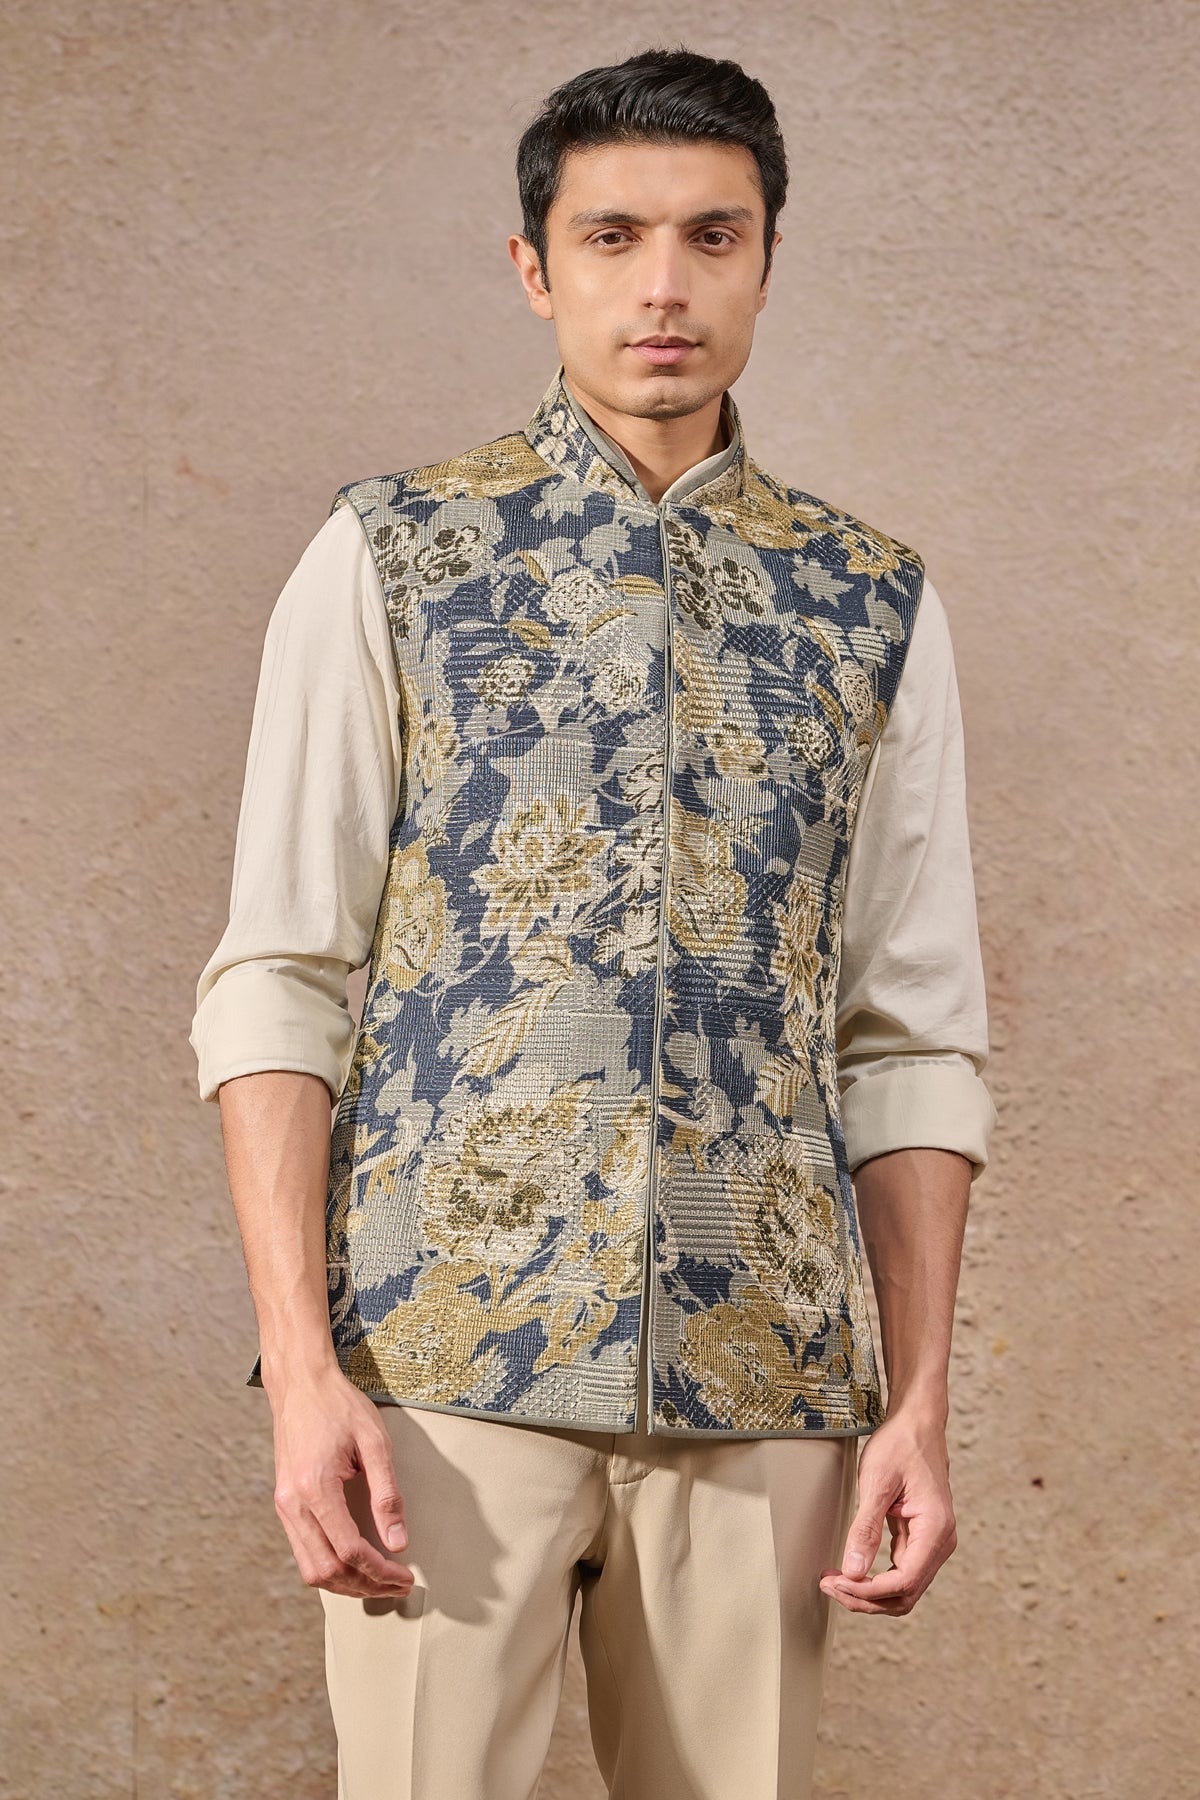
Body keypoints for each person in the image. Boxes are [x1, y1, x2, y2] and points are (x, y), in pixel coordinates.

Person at [190, 44, 997, 1800]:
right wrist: (304, 1375)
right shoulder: (396, 556)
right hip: (442, 1363)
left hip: (764, 1373)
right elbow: (279, 980)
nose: (664, 288)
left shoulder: (870, 603)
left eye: (713, 237)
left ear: (768, 260)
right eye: (613, 236)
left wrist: (918, 1402)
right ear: (533, 266)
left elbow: (911, 1032)